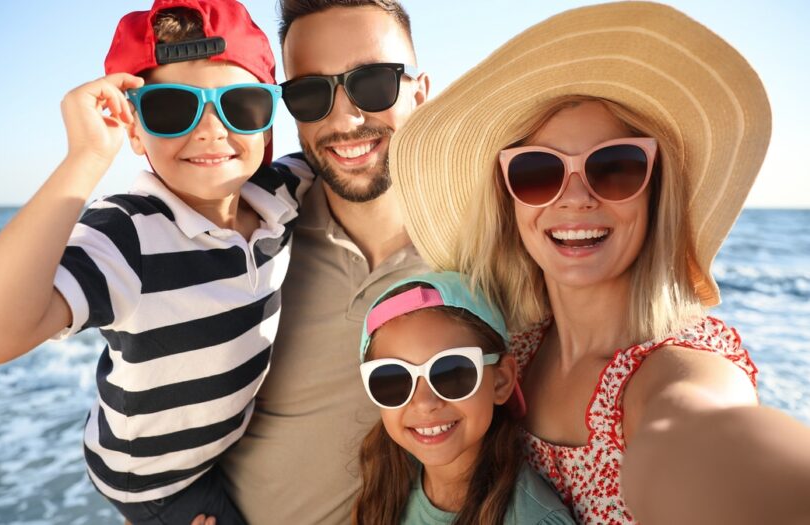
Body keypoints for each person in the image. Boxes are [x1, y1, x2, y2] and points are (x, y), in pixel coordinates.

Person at [389, 2, 810, 524]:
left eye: (615, 167)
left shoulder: (678, 371)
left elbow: (708, 441)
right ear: (510, 201)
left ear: (655, 191)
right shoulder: (510, 349)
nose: (576, 199)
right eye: (538, 172)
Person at [0, 1, 312, 523]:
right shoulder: (126, 234)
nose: (211, 130)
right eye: (171, 108)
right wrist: (86, 158)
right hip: (156, 480)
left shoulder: (282, 192)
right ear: (135, 130)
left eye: (241, 104)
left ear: (268, 116)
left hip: (221, 445)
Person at [217, 1, 431, 524]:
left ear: (420, 93)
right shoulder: (247, 241)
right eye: (310, 93)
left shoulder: (489, 242)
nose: (346, 119)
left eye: (374, 83)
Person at [354, 271, 575, 524]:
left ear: (501, 381)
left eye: (452, 372)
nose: (425, 402)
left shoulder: (535, 519)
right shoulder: (386, 488)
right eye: (393, 378)